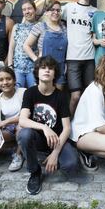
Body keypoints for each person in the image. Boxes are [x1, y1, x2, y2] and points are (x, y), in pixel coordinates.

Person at [18, 56, 77, 195]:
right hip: (37, 138)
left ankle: (49, 157)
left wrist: (55, 153)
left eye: (50, 68)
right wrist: (44, 127)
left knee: (71, 165)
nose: (47, 70)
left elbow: (67, 128)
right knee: (24, 134)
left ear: (55, 74)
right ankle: (35, 171)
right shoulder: (30, 93)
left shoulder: (61, 96)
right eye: (43, 68)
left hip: (56, 141)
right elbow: (22, 120)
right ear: (37, 72)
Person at [62, 0, 97, 115]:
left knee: (90, 95)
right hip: (73, 59)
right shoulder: (69, 8)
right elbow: (51, 16)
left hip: (90, 58)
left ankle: (86, 125)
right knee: (75, 96)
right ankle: (69, 126)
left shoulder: (96, 12)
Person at [24, 0, 67, 90]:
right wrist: (36, 60)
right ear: (46, 12)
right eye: (52, 10)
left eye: (58, 10)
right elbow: (26, 45)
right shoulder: (40, 26)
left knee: (57, 98)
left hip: (60, 69)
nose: (55, 12)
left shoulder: (64, 29)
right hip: (44, 69)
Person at [7, 0, 38, 88]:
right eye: (24, 10)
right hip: (17, 69)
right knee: (17, 93)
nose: (27, 12)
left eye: (29, 8)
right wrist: (10, 66)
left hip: (33, 69)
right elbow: (11, 48)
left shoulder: (40, 26)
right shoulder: (17, 27)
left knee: (34, 92)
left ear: (35, 10)